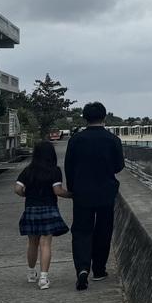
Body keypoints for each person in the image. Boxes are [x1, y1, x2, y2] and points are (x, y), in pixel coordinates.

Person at [64, 101, 124, 290]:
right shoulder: (112, 140)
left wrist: (72, 188)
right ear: (104, 117)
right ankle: (99, 269)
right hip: (106, 192)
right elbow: (119, 166)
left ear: (85, 118)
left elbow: (68, 167)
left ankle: (82, 268)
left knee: (81, 230)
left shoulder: (76, 140)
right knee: (103, 230)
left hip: (82, 192)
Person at [13, 141, 71, 290]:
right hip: (48, 209)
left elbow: (17, 189)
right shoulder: (54, 170)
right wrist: (72, 195)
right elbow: (58, 191)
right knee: (45, 244)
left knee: (32, 243)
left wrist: (26, 194)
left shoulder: (28, 171)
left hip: (31, 209)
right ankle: (43, 278)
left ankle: (31, 273)